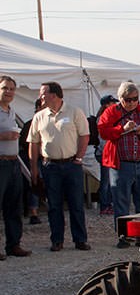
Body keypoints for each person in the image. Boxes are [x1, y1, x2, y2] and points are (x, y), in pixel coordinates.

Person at [27, 81, 91, 252]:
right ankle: (57, 240)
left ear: (54, 95)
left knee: (76, 204)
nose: (40, 97)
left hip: (71, 165)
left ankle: (80, 239)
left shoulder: (75, 112)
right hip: (50, 166)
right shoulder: (39, 117)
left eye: (43, 94)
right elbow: (33, 143)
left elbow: (84, 135)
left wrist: (79, 157)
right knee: (54, 205)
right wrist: (34, 168)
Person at [98, 81, 140, 248]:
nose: (132, 102)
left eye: (135, 99)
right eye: (128, 100)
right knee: (121, 202)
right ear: (120, 99)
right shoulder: (111, 112)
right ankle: (124, 236)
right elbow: (103, 132)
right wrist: (122, 129)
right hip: (121, 165)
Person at [0, 76, 30, 260]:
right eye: (5, 88)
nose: (9, 92)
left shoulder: (11, 111)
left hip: (13, 162)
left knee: (14, 206)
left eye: (12, 89)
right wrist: (3, 136)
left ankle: (13, 244)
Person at [20, 97, 44, 225]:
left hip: (47, 158)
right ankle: (33, 212)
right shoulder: (30, 124)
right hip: (32, 158)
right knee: (34, 183)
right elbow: (25, 143)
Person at [94, 95, 118, 214]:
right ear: (107, 105)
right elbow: (103, 138)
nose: (115, 105)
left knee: (109, 179)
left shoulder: (109, 116)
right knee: (106, 181)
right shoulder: (102, 118)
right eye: (112, 103)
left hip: (107, 152)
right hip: (104, 152)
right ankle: (104, 205)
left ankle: (108, 203)